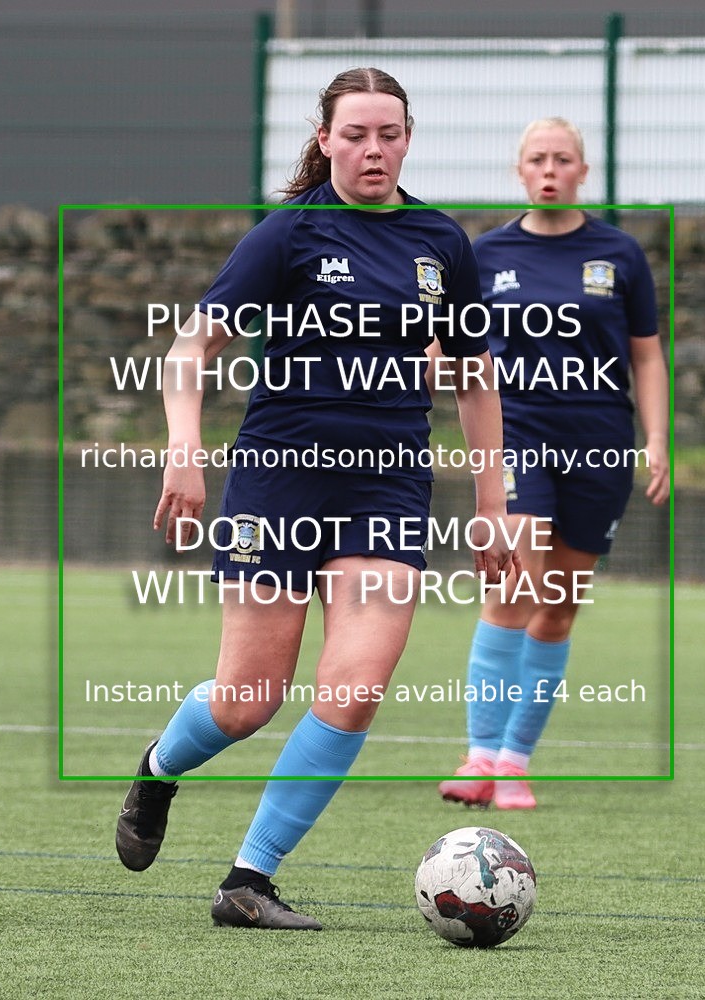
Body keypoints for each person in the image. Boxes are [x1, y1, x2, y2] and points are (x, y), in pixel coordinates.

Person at [115, 67, 517, 930]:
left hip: (388, 487)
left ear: (408, 138)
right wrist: (183, 452)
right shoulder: (286, 235)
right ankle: (157, 766)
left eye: (390, 134)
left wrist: (495, 502)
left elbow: (475, 379)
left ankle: (248, 880)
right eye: (356, 135)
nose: (374, 150)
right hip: (278, 481)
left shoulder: (441, 243)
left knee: (354, 690)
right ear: (325, 139)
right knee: (249, 700)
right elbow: (189, 353)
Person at [437, 117, 669, 811]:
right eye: (536, 158)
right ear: (518, 171)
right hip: (518, 434)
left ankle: (514, 760)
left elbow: (646, 354)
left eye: (560, 159)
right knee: (515, 582)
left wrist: (655, 438)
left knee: (559, 607)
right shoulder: (486, 253)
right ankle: (479, 757)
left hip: (598, 439)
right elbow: (453, 346)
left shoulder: (619, 254)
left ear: (581, 172)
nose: (548, 169)